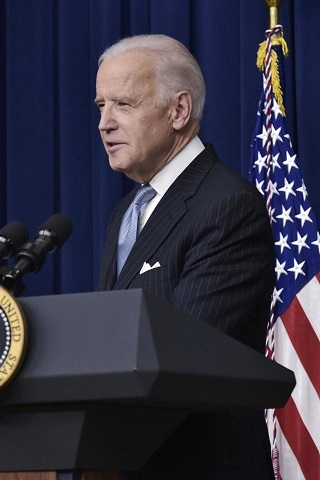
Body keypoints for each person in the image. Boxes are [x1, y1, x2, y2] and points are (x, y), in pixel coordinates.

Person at [94, 35, 276, 479]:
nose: (104, 123)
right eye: (100, 105)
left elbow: (185, 349)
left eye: (123, 104)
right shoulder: (128, 210)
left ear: (178, 111)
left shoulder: (226, 204)